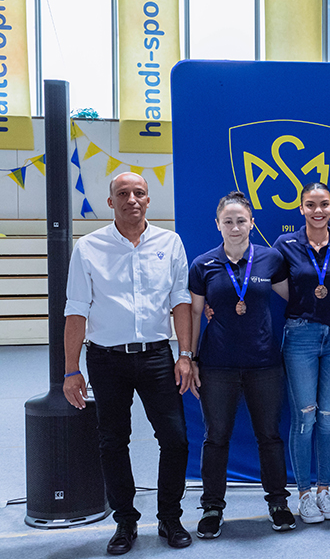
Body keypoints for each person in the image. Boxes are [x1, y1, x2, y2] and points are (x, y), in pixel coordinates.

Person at [63, 172, 194, 555]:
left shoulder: (169, 243)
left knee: (175, 439)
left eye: (139, 192)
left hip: (157, 357)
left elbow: (180, 301)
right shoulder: (88, 247)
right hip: (105, 359)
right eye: (123, 193)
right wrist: (71, 370)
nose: (132, 199)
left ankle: (170, 517)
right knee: (112, 442)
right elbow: (76, 310)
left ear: (148, 200)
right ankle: (125, 521)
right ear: (111, 202)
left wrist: (185, 355)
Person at [188, 191, 295, 537]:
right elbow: (193, 313)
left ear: (252, 223)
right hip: (217, 365)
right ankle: (211, 507)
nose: (235, 227)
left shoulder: (271, 259)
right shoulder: (203, 265)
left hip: (264, 363)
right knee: (216, 437)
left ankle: (278, 503)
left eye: (241, 221)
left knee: (270, 436)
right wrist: (189, 357)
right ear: (217, 225)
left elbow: (296, 297)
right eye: (228, 221)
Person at [273, 182, 330, 524]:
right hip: (301, 336)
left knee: (328, 417)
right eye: (310, 205)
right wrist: (306, 303)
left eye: (323, 204)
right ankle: (304, 494)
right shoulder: (285, 245)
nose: (317, 211)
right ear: (301, 208)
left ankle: (324, 490)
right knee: (304, 417)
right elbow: (279, 287)